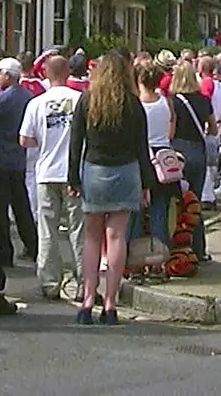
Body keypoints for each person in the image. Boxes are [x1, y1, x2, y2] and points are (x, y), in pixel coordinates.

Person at [68, 53, 152, 325]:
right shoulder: (133, 104)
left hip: (94, 170)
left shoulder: (88, 100)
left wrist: (73, 178)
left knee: (92, 238)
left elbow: (76, 141)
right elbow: (142, 147)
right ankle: (110, 304)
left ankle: (87, 301)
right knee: (116, 238)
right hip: (126, 170)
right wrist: (147, 183)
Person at [20, 54, 85, 299]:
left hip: (46, 171)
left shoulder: (36, 103)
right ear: (68, 72)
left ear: (46, 74)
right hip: (73, 174)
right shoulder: (80, 100)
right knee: (78, 229)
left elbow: (24, 139)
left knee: (47, 229)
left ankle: (49, 282)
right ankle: (82, 282)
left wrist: (43, 141)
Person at [0, 58, 32, 316]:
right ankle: (32, 247)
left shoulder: (2, 99)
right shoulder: (27, 96)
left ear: (8, 76)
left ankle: (5, 253)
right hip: (18, 158)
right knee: (22, 207)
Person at [131, 60, 175, 280]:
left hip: (141, 158)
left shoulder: (135, 104)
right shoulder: (166, 102)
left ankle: (137, 264)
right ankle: (159, 263)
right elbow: (170, 131)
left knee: (136, 214)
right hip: (163, 159)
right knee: (160, 212)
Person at [168, 61, 213, 263]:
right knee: (195, 200)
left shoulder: (173, 101)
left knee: (177, 202)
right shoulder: (204, 100)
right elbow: (213, 128)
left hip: (178, 151)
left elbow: (170, 129)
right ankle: (199, 249)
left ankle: (178, 249)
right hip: (198, 151)